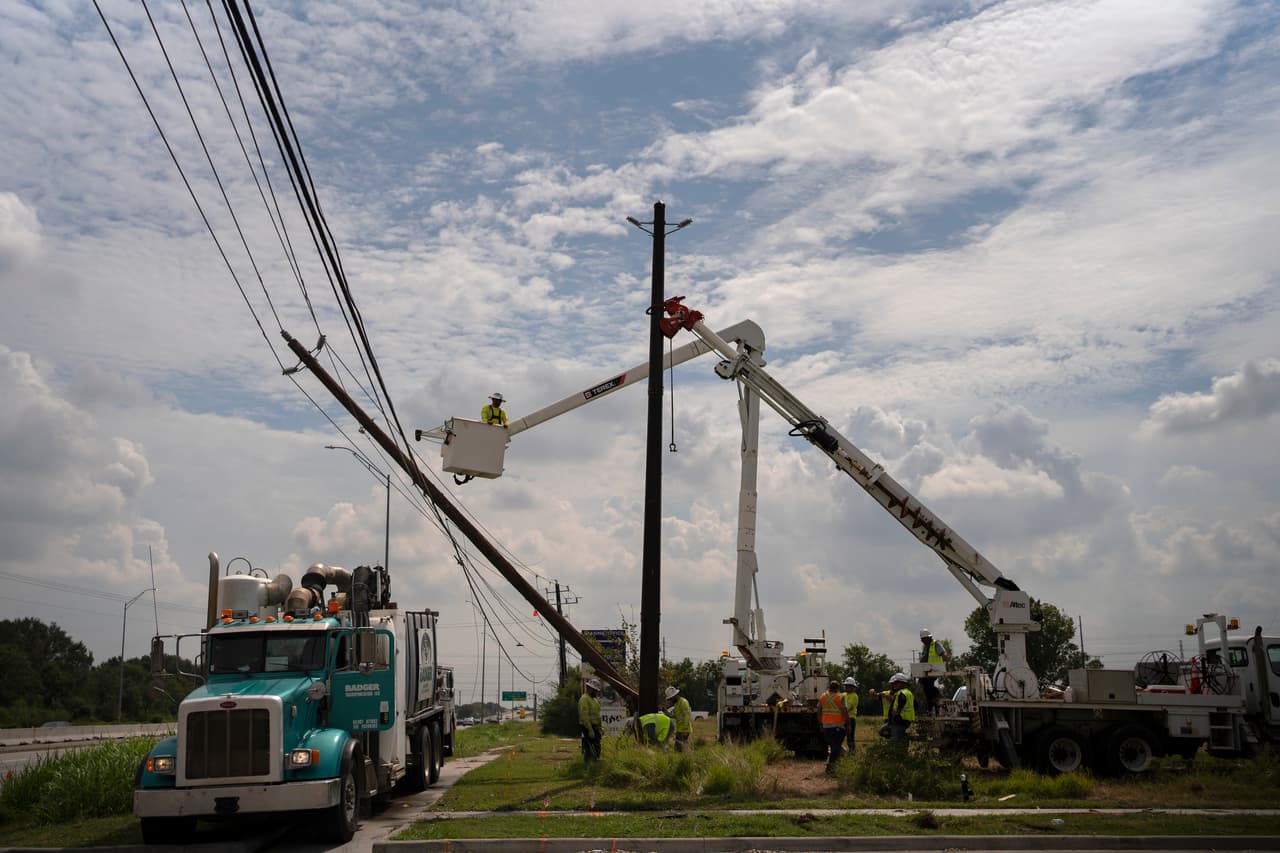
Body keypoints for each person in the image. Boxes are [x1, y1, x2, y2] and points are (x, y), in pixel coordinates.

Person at [873, 672, 915, 743]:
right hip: (899, 721)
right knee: (883, 731)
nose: (894, 685)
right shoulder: (907, 693)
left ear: (903, 683)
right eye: (894, 683)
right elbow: (915, 705)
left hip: (900, 721)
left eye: (896, 683)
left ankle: (900, 745)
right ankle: (902, 737)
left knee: (895, 742)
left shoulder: (902, 693)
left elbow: (901, 702)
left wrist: (897, 713)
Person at [918, 628, 950, 714]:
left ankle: (933, 704)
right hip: (926, 671)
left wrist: (944, 666)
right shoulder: (925, 647)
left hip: (934, 670)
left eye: (923, 639)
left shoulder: (936, 644)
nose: (922, 641)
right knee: (926, 688)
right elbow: (923, 659)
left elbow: (944, 654)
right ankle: (934, 702)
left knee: (928, 686)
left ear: (928, 638)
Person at [819, 679, 848, 773]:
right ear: (838, 688)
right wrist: (848, 724)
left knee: (834, 746)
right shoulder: (841, 697)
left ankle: (836, 764)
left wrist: (820, 723)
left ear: (829, 687)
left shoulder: (823, 696)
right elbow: (844, 711)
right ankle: (831, 766)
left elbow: (818, 710)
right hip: (838, 726)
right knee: (836, 746)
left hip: (826, 727)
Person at [579, 677, 603, 762]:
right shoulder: (584, 699)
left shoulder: (594, 699)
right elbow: (584, 715)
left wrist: (600, 727)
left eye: (596, 690)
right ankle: (590, 763)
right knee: (590, 747)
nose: (596, 692)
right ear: (589, 688)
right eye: (594, 690)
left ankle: (593, 762)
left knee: (595, 746)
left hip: (595, 727)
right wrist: (589, 729)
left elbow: (597, 714)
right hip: (588, 727)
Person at [665, 686, 693, 753]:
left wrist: (685, 731)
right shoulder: (676, 704)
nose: (670, 700)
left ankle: (685, 760)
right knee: (679, 749)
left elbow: (687, 716)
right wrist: (666, 712)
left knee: (680, 749)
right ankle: (684, 760)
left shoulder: (684, 702)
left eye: (671, 698)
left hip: (684, 730)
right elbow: (674, 716)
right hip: (679, 730)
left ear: (675, 696)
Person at [842, 676, 860, 752]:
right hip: (843, 718)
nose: (847, 687)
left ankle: (852, 751)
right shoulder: (843, 695)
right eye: (846, 686)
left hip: (850, 718)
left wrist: (840, 710)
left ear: (853, 687)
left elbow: (849, 707)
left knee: (850, 736)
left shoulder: (854, 696)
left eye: (849, 686)